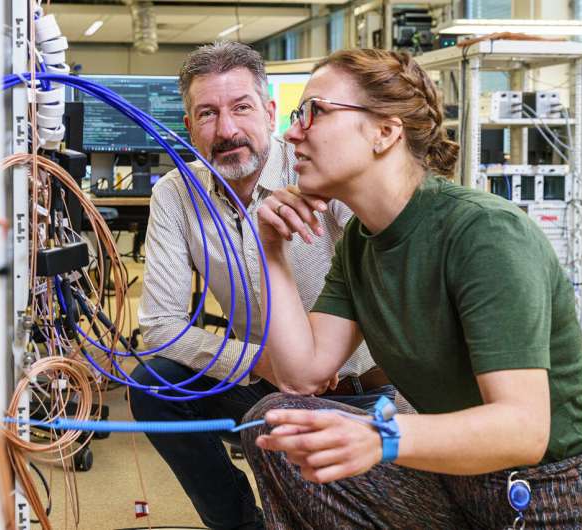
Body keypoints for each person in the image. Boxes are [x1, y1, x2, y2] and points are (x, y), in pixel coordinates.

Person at [240, 48, 582, 529]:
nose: (292, 132)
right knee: (279, 417)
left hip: (544, 489)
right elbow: (302, 376)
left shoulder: (484, 234)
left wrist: (381, 436)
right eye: (299, 115)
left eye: (315, 112)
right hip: (448, 474)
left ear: (385, 131)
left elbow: (524, 429)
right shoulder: (361, 241)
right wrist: (270, 249)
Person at [129, 41, 398, 530]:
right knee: (154, 386)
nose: (227, 129)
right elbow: (161, 328)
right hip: (263, 381)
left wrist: (310, 367)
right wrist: (261, 361)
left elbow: (388, 275)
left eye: (242, 108)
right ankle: (237, 523)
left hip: (357, 390)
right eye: (207, 113)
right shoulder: (176, 195)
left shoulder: (318, 170)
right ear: (188, 126)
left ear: (271, 112)